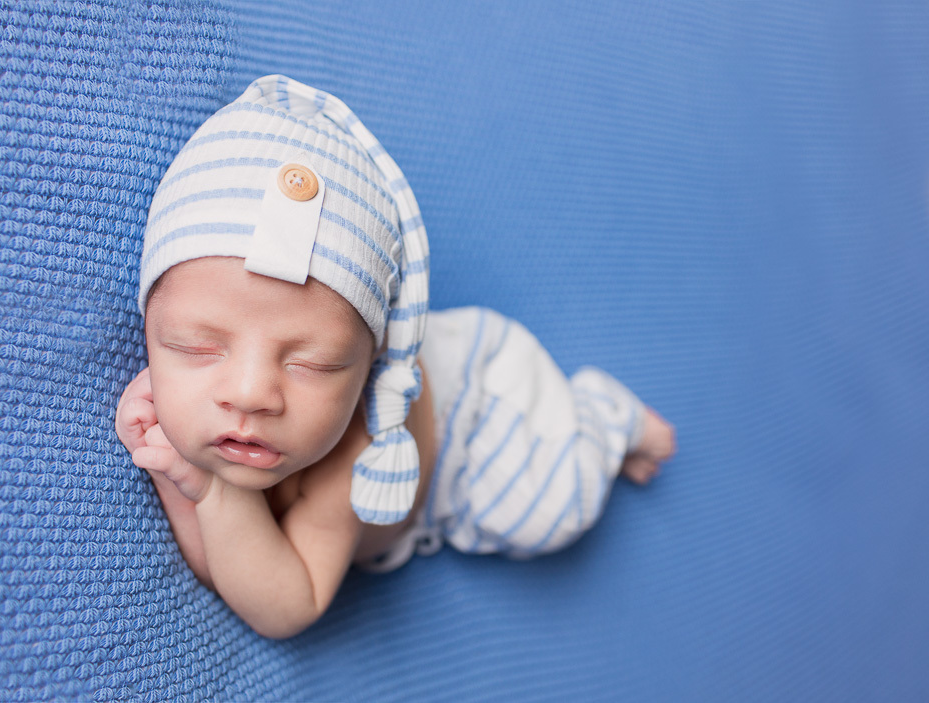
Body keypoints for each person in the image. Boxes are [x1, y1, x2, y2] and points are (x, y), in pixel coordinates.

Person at [115, 75, 676, 639]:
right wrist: (180, 477)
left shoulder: (352, 455)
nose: (251, 393)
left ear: (369, 368)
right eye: (196, 347)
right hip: (442, 363)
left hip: (482, 415)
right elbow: (228, 567)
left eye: (312, 363)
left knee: (556, 513)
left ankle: (607, 419)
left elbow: (286, 603)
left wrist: (212, 491)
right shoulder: (235, 418)